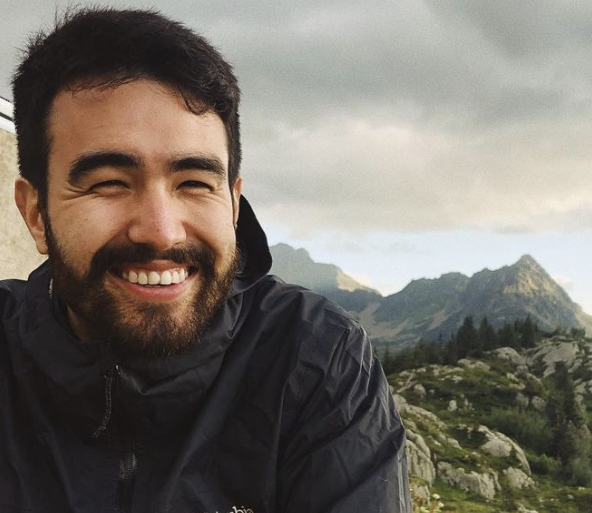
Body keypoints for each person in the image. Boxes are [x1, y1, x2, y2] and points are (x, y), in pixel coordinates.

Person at [1, 8, 410, 513]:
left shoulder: (315, 360)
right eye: (108, 182)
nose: (161, 231)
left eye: (194, 183)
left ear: (233, 204)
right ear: (36, 212)